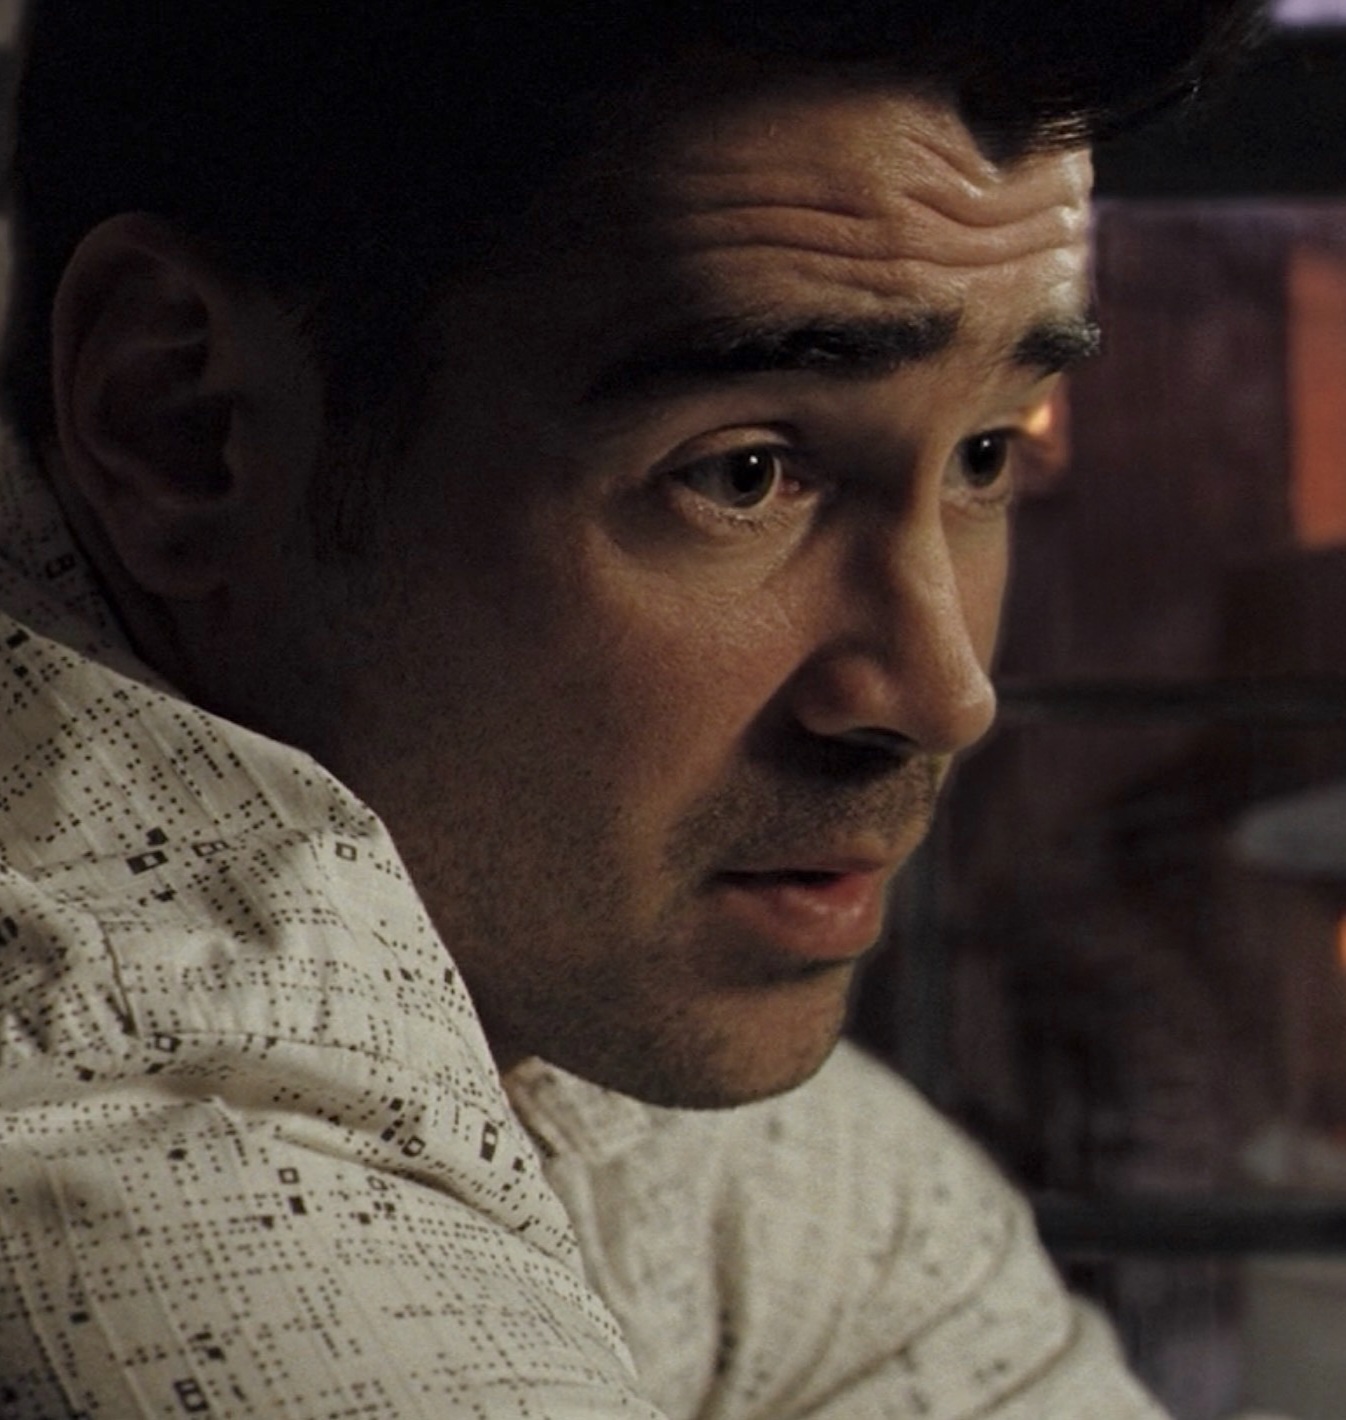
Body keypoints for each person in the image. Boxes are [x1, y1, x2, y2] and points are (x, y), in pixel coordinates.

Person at [0, 3, 1261, 1415]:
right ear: (182, 427)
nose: (942, 693)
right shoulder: (169, 1217)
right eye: (743, 473)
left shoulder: (542, 966)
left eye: (984, 452)